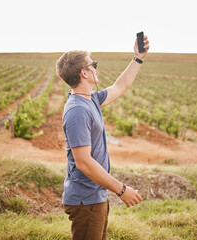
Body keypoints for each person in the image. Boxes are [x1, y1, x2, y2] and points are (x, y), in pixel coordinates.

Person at [55, 35, 150, 240]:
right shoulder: (77, 110)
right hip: (85, 199)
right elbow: (84, 163)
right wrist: (121, 190)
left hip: (94, 196)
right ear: (84, 73)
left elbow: (120, 87)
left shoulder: (91, 99)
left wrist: (138, 58)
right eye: (93, 64)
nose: (96, 68)